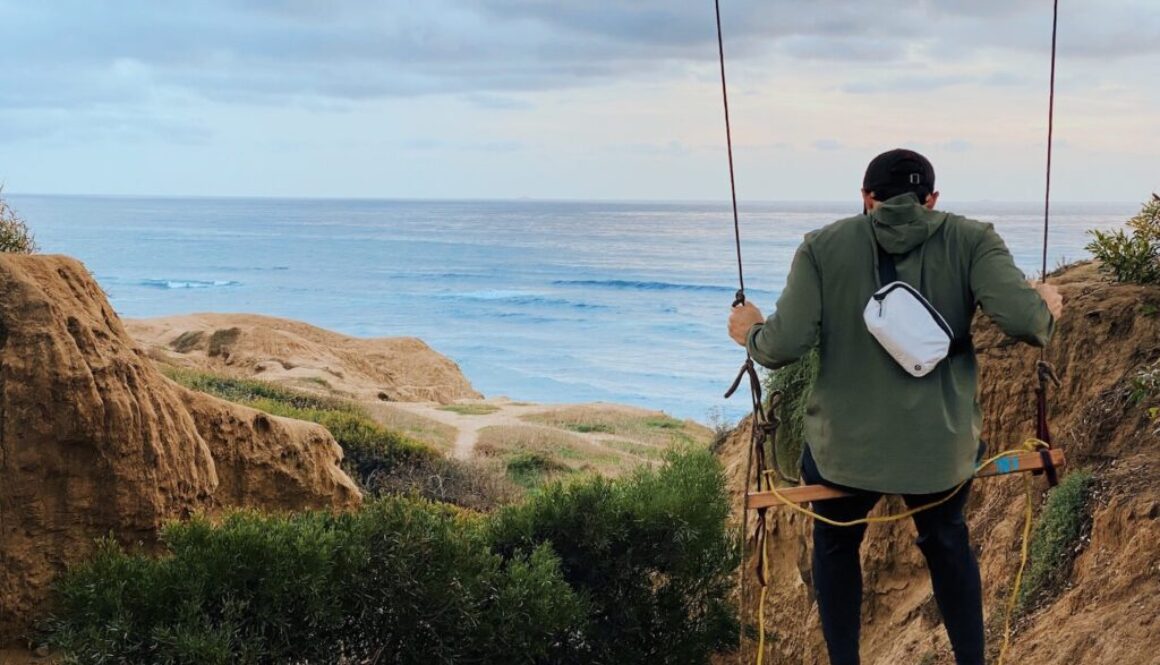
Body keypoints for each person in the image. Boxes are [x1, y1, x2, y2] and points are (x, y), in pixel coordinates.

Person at [726, 148, 1063, 665]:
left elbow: (783, 345)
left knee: (836, 545)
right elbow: (1027, 324)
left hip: (843, 452)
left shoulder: (822, 247)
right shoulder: (972, 240)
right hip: (940, 452)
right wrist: (1045, 304)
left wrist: (749, 331)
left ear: (866, 199)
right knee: (947, 538)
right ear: (931, 199)